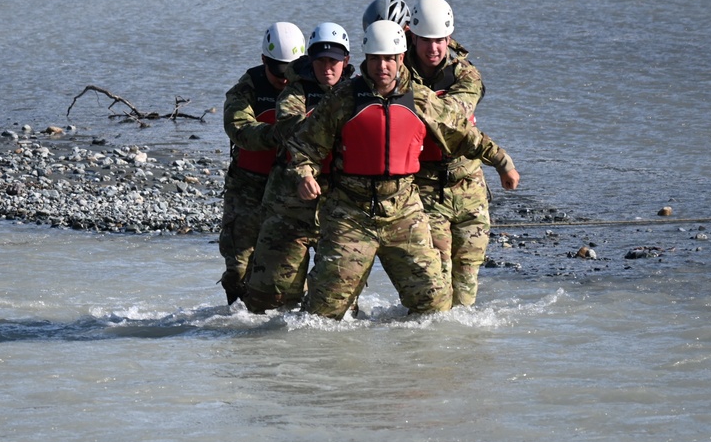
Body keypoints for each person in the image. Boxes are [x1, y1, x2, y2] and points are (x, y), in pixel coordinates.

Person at [287, 20, 519, 320]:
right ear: (366, 59)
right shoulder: (342, 99)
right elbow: (304, 145)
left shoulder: (420, 99)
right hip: (350, 213)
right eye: (375, 59)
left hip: (405, 212)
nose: (382, 66)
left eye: (388, 59)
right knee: (321, 316)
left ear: (400, 58)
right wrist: (304, 174)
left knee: (436, 309)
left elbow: (464, 135)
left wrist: (503, 163)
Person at [406, 0, 520, 307]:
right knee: (436, 287)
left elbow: (452, 119)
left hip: (469, 185)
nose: (434, 49)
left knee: (466, 289)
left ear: (449, 39)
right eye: (427, 41)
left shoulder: (466, 75)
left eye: (440, 41)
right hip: (425, 186)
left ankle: (461, 350)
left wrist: (410, 97)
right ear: (413, 37)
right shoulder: (396, 72)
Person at [243, 22, 354, 314]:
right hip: (289, 208)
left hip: (340, 209)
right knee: (269, 304)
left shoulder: (359, 93)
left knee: (338, 306)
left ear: (346, 61)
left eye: (333, 61)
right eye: (320, 61)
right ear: (310, 61)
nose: (327, 68)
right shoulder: (295, 93)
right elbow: (292, 127)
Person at [219, 22, 305, 305]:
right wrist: (276, 134)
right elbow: (239, 128)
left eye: (291, 71)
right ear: (264, 61)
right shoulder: (248, 88)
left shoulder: (308, 86)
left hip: (292, 187)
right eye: (279, 71)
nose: (284, 79)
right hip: (249, 186)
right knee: (239, 268)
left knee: (287, 265)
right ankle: (236, 321)